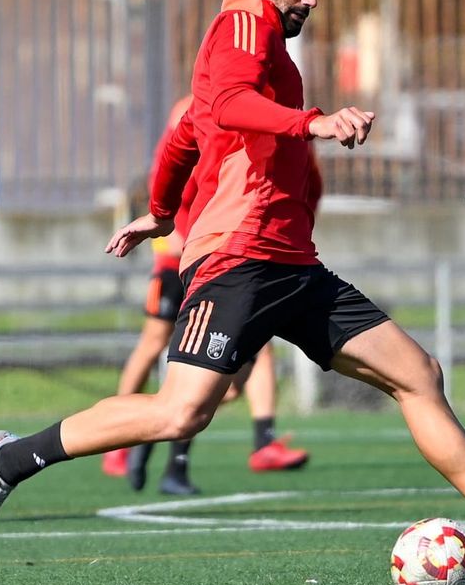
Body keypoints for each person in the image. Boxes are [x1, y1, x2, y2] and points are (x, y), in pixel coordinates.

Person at [0, 0, 465, 581]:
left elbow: (184, 134)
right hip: (236, 258)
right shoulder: (245, 23)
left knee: (418, 374)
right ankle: (7, 461)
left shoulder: (272, 57)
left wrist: (161, 211)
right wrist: (312, 122)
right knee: (181, 413)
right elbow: (230, 105)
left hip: (291, 264)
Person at [103, 95, 310, 494]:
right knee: (157, 347)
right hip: (184, 263)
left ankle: (159, 437)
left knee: (229, 377)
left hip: (226, 260)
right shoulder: (195, 110)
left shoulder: (254, 115)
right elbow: (170, 178)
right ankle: (126, 442)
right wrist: (179, 234)